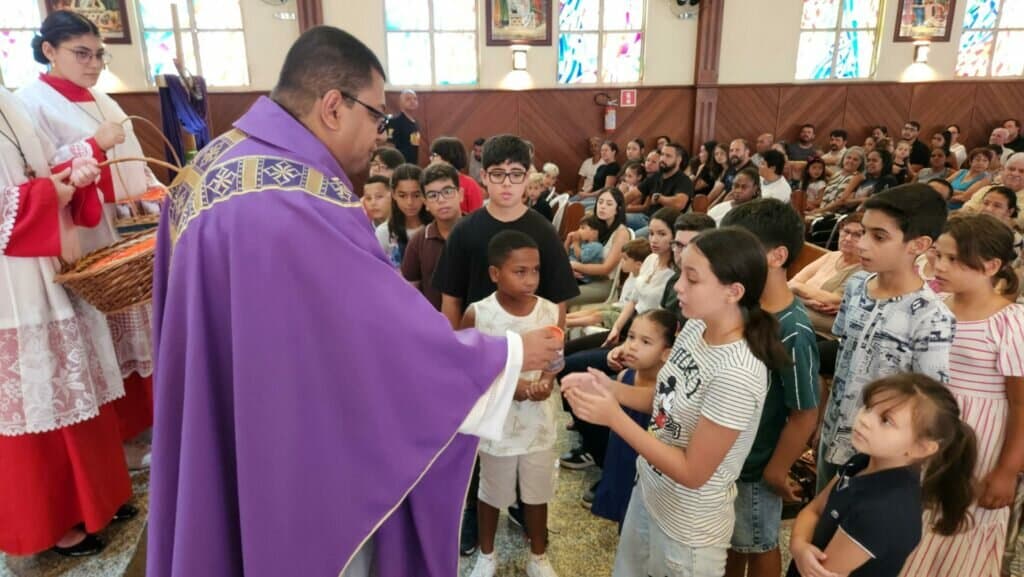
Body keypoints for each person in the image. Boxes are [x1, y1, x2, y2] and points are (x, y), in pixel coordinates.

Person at [146, 27, 563, 577]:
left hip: (232, 403)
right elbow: (381, 338)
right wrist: (507, 354)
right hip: (290, 441)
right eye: (377, 116)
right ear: (333, 107)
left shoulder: (205, 169)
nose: (380, 134)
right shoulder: (299, 198)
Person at [563, 226, 790, 577]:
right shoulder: (697, 328)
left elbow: (693, 472)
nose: (678, 286)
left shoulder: (738, 372)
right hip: (650, 491)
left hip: (687, 527)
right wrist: (610, 389)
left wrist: (614, 417)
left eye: (692, 279)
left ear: (733, 292)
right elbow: (666, 399)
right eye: (681, 273)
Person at [18, 10, 158, 467]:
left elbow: (134, 160)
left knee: (138, 325)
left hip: (126, 230)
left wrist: (154, 193)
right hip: (85, 234)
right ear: (49, 50)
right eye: (82, 54)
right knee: (103, 333)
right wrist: (94, 144)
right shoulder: (30, 104)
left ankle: (148, 428)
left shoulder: (104, 98)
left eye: (99, 54)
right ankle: (121, 438)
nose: (94, 63)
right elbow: (38, 174)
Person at [0, 87, 134, 557]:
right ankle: (52, 520)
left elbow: (38, 164)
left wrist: (72, 172)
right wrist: (43, 195)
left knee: (76, 387)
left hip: (49, 253)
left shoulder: (9, 100)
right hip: (11, 283)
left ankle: (97, 499)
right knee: (38, 398)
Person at [900, 214, 1024, 577]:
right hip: (927, 427)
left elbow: (1021, 403)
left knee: (960, 527)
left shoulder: (1010, 322)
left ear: (992, 266)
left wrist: (1007, 470)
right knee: (914, 523)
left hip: (978, 439)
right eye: (939, 255)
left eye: (954, 259)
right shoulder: (933, 307)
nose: (940, 266)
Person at [817, 184, 955, 491]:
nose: (862, 244)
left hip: (882, 452)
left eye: (879, 237)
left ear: (918, 244)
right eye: (863, 232)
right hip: (835, 429)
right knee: (822, 511)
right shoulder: (857, 285)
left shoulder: (931, 316)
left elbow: (928, 401)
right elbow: (844, 353)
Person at [788, 374, 976, 577]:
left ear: (921, 448)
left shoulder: (883, 510)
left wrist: (800, 550)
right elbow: (814, 510)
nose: (864, 420)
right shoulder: (862, 461)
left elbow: (821, 572)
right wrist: (798, 545)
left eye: (885, 420)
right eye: (868, 407)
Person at [722, 200, 821, 577]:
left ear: (777, 256)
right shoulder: (742, 305)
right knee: (732, 541)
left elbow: (804, 411)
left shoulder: (793, 329)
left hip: (757, 463)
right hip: (728, 454)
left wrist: (777, 470)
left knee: (759, 541)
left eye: (741, 250)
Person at [462, 231, 561, 577]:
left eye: (535, 270)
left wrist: (546, 381)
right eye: (520, 271)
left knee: (537, 491)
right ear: (495, 273)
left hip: (538, 423)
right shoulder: (479, 314)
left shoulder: (549, 310)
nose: (530, 279)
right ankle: (487, 554)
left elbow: (555, 359)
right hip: (498, 425)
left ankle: (538, 556)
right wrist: (512, 386)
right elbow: (470, 367)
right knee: (492, 491)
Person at [588, 309, 678, 526]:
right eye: (630, 337)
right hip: (619, 458)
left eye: (645, 342)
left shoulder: (665, 394)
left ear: (666, 353)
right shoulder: (625, 376)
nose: (633, 346)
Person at [789, 213, 865, 334]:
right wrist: (805, 300)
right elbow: (793, 282)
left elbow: (831, 301)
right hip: (800, 305)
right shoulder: (832, 256)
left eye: (857, 235)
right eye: (846, 231)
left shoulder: (862, 270)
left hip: (822, 322)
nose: (848, 238)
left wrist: (797, 288)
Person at [402, 163, 462, 311]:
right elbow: (410, 293)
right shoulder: (419, 241)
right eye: (433, 195)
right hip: (433, 321)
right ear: (426, 203)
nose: (441, 200)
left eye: (447, 191)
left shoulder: (477, 231)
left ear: (460, 194)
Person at [565, 239, 650, 331]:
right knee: (594, 311)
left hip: (628, 317)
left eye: (625, 259)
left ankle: (564, 323)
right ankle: (562, 318)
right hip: (619, 308)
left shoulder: (642, 281)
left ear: (638, 265)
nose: (621, 261)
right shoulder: (632, 274)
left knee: (598, 315)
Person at [567, 187, 631, 305]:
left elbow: (606, 269)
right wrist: (571, 270)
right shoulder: (595, 225)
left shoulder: (621, 232)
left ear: (618, 209)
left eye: (609, 204)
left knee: (561, 295)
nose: (602, 206)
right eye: (600, 202)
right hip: (587, 277)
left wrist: (575, 266)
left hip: (605, 284)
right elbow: (576, 249)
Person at [375, 163, 430, 268]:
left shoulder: (434, 228)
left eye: (416, 195)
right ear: (393, 194)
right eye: (402, 195)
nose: (410, 202)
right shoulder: (384, 232)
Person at [429, 135, 483, 213]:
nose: (431, 159)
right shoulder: (430, 182)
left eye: (434, 155)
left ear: (448, 157)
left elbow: (477, 215)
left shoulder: (469, 184)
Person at [708, 139, 752, 205]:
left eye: (737, 150)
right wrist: (709, 207)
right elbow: (724, 191)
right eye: (731, 150)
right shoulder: (731, 168)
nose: (733, 153)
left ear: (747, 152)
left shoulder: (751, 171)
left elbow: (732, 196)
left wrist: (717, 208)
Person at [567, 215, 606, 284]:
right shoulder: (582, 243)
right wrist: (568, 241)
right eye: (579, 228)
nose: (578, 231)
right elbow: (565, 255)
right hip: (571, 272)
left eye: (583, 228)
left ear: (594, 232)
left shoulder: (596, 246)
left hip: (582, 279)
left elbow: (582, 258)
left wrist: (575, 242)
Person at [388, 89, 420, 162]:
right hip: (400, 163)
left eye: (415, 99)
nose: (412, 101)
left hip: (413, 163)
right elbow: (390, 145)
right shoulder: (394, 122)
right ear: (400, 103)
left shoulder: (416, 123)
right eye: (408, 99)